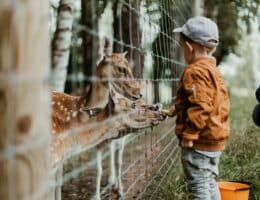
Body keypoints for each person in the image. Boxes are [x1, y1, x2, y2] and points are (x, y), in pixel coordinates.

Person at [172, 16, 230, 200]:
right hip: (215, 139)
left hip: (199, 142)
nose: (183, 52)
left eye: (182, 48)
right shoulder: (213, 71)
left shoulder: (194, 71)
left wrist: (190, 135)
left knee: (199, 188)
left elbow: (201, 105)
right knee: (208, 182)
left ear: (189, 48)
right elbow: (208, 100)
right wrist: (176, 109)